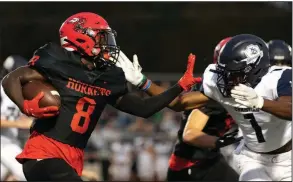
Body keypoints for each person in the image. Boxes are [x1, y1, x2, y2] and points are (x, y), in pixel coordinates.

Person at [1, 12, 199, 181]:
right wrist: (24, 106)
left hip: (73, 157)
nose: (107, 44)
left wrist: (179, 86)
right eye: (101, 37)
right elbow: (13, 78)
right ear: (81, 37)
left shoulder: (108, 77)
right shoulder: (56, 60)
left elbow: (143, 108)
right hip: (43, 152)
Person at [118, 34, 292, 181]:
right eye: (224, 73)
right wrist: (143, 82)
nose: (226, 80)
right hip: (252, 158)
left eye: (233, 74)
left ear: (253, 71)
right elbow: (179, 103)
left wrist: (260, 102)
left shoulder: (277, 79)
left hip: (287, 158)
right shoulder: (219, 84)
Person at [119, 37, 240, 181]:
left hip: (211, 159)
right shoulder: (216, 91)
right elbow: (189, 132)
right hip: (191, 166)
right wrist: (230, 140)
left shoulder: (244, 88)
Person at [1, 56, 32, 181]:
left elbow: (15, 117)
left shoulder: (16, 94)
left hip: (10, 142)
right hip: (3, 144)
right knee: (27, 175)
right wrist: (21, 124)